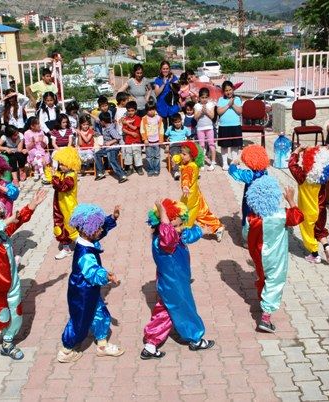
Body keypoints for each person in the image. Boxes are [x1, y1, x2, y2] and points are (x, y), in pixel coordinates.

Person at [0, 189, 48, 360]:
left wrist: (32, 205)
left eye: (0, 215)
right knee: (0, 318)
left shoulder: (2, 233)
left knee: (16, 315)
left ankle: (7, 344)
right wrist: (9, 220)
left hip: (12, 283)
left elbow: (18, 219)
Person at [141, 198, 215, 360]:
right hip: (175, 284)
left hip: (171, 283)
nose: (179, 229)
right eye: (175, 226)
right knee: (185, 308)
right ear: (162, 225)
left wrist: (202, 231)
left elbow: (187, 234)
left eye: (180, 224)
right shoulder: (164, 241)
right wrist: (163, 214)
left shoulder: (174, 235)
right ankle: (195, 338)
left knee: (165, 310)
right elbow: (168, 235)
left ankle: (151, 344)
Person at [57, 203, 124, 363]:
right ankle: (66, 350)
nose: (101, 230)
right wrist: (107, 276)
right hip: (82, 293)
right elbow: (93, 271)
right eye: (98, 227)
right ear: (89, 230)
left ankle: (102, 345)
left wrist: (112, 218)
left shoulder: (87, 238)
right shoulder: (85, 254)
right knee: (80, 321)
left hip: (89, 290)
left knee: (100, 313)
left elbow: (100, 232)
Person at [244, 176, 304, 333]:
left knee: (263, 277)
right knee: (275, 282)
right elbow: (298, 216)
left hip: (258, 256)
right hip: (275, 258)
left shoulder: (251, 217)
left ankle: (262, 299)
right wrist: (291, 200)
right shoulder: (281, 215)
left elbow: (245, 234)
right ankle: (265, 318)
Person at [288, 146, 329, 264]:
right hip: (321, 209)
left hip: (308, 211)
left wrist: (297, 151)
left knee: (308, 233)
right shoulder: (322, 178)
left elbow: (292, 165)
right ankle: (327, 247)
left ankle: (315, 255)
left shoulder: (303, 177)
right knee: (319, 230)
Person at [173, 141, 224, 241]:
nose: (181, 156)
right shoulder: (191, 163)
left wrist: (185, 186)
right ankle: (218, 227)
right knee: (202, 213)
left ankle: (183, 235)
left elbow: (187, 177)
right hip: (195, 193)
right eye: (181, 153)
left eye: (184, 154)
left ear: (191, 156)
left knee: (186, 214)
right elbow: (178, 158)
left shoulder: (190, 167)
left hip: (190, 197)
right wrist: (178, 157)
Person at [228, 144, 270, 229]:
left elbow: (234, 172)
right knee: (260, 216)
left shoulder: (249, 175)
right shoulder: (265, 171)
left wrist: (233, 163)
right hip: (262, 199)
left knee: (248, 216)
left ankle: (247, 236)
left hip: (250, 201)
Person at [51, 147, 81, 260]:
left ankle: (83, 245)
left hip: (68, 206)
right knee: (59, 226)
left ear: (70, 163)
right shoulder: (64, 173)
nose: (60, 166)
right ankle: (66, 248)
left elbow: (62, 187)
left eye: (63, 164)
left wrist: (54, 177)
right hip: (59, 205)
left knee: (71, 226)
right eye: (60, 163)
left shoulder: (71, 176)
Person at [94, 112, 128, 183]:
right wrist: (88, 113)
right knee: (97, 154)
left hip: (114, 147)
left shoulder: (111, 128)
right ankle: (100, 173)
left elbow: (118, 138)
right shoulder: (103, 125)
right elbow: (96, 119)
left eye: (100, 121)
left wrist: (109, 142)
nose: (99, 122)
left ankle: (122, 175)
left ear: (103, 121)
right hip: (106, 148)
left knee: (111, 158)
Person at [216, 80, 243, 170]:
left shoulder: (237, 99)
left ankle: (234, 162)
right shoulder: (221, 100)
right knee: (224, 146)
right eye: (226, 90)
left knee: (235, 145)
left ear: (233, 89)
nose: (228, 92)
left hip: (235, 126)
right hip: (224, 126)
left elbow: (239, 112)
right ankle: (224, 163)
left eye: (230, 89)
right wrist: (228, 105)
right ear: (223, 91)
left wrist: (233, 104)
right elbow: (219, 112)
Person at [154, 60, 180, 131]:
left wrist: (171, 81)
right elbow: (156, 93)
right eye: (164, 69)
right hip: (162, 106)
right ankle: (165, 141)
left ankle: (174, 141)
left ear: (169, 69)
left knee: (173, 127)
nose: (165, 70)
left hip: (172, 106)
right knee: (163, 128)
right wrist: (164, 84)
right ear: (161, 69)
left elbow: (177, 90)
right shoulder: (158, 79)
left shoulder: (174, 78)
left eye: (167, 69)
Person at [194, 88, 216, 170]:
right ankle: (201, 162)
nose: (204, 99)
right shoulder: (196, 105)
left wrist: (206, 111)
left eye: (206, 97)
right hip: (200, 128)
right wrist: (201, 112)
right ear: (199, 98)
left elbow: (212, 116)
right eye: (202, 97)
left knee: (211, 144)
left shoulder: (211, 104)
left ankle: (213, 162)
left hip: (209, 128)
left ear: (208, 97)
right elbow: (195, 117)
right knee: (201, 145)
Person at [140, 100, 164, 177]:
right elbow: (142, 130)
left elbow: (161, 129)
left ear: (155, 109)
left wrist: (161, 139)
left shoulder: (159, 118)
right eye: (149, 110)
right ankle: (150, 170)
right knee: (149, 157)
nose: (151, 111)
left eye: (153, 109)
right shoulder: (144, 119)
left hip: (157, 141)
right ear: (146, 111)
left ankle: (157, 169)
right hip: (148, 142)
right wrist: (145, 139)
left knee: (157, 156)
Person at [164, 114, 191, 180]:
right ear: (173, 122)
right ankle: (176, 172)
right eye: (175, 122)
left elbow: (189, 136)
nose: (177, 123)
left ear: (181, 121)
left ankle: (190, 169)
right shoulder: (170, 128)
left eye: (179, 121)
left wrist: (187, 140)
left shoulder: (185, 128)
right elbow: (165, 137)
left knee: (189, 154)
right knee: (175, 154)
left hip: (183, 144)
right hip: (174, 145)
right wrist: (167, 145)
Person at [23, 118, 50, 182]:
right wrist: (32, 142)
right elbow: (27, 147)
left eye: (39, 124)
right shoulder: (27, 133)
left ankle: (36, 172)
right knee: (37, 153)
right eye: (37, 124)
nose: (39, 125)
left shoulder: (41, 132)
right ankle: (42, 175)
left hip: (40, 152)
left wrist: (42, 141)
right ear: (32, 126)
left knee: (38, 156)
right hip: (31, 152)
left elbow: (43, 146)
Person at [121, 100, 143, 176]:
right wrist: (131, 133)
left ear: (135, 110)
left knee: (137, 153)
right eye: (129, 111)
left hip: (136, 140)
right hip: (128, 140)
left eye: (132, 110)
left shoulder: (137, 118)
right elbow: (123, 129)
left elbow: (134, 128)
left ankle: (139, 167)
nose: (130, 112)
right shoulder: (125, 119)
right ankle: (130, 168)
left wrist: (127, 123)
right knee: (128, 154)